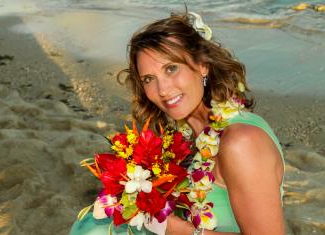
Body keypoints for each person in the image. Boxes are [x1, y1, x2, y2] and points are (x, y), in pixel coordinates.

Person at [70, 11, 285, 235]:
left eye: (171, 68)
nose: (163, 90)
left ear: (202, 65)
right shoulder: (194, 137)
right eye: (149, 79)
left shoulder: (241, 142)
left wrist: (185, 232)